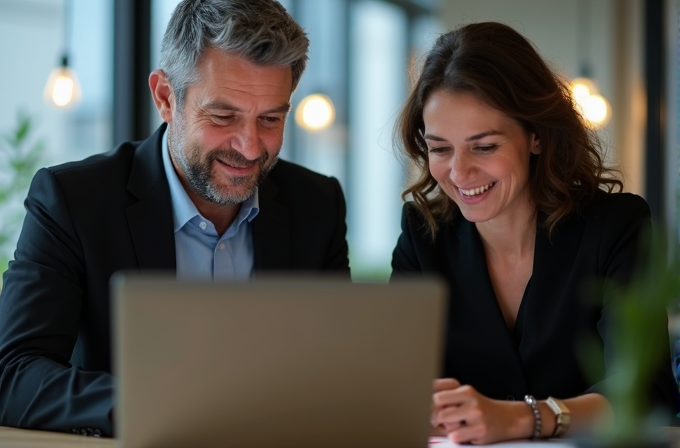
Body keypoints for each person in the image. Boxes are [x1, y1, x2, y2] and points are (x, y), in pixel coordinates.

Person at [0, 0, 349, 438]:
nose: (249, 147)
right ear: (166, 97)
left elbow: (339, 369)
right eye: (223, 116)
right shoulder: (73, 201)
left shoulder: (318, 204)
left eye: (270, 119)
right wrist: (166, 404)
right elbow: (13, 374)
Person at [391, 22, 677, 444]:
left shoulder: (615, 226)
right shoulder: (421, 235)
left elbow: (643, 391)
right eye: (440, 148)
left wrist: (526, 417)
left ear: (536, 136)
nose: (458, 172)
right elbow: (398, 385)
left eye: (484, 146)